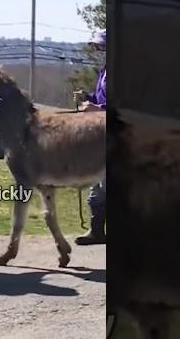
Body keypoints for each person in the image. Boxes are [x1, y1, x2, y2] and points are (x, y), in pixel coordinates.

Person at [73, 30, 106, 245]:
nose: (98, 50)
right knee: (97, 182)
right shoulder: (105, 71)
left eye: (101, 46)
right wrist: (87, 98)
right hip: (100, 134)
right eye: (96, 47)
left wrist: (98, 108)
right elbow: (101, 98)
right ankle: (96, 231)